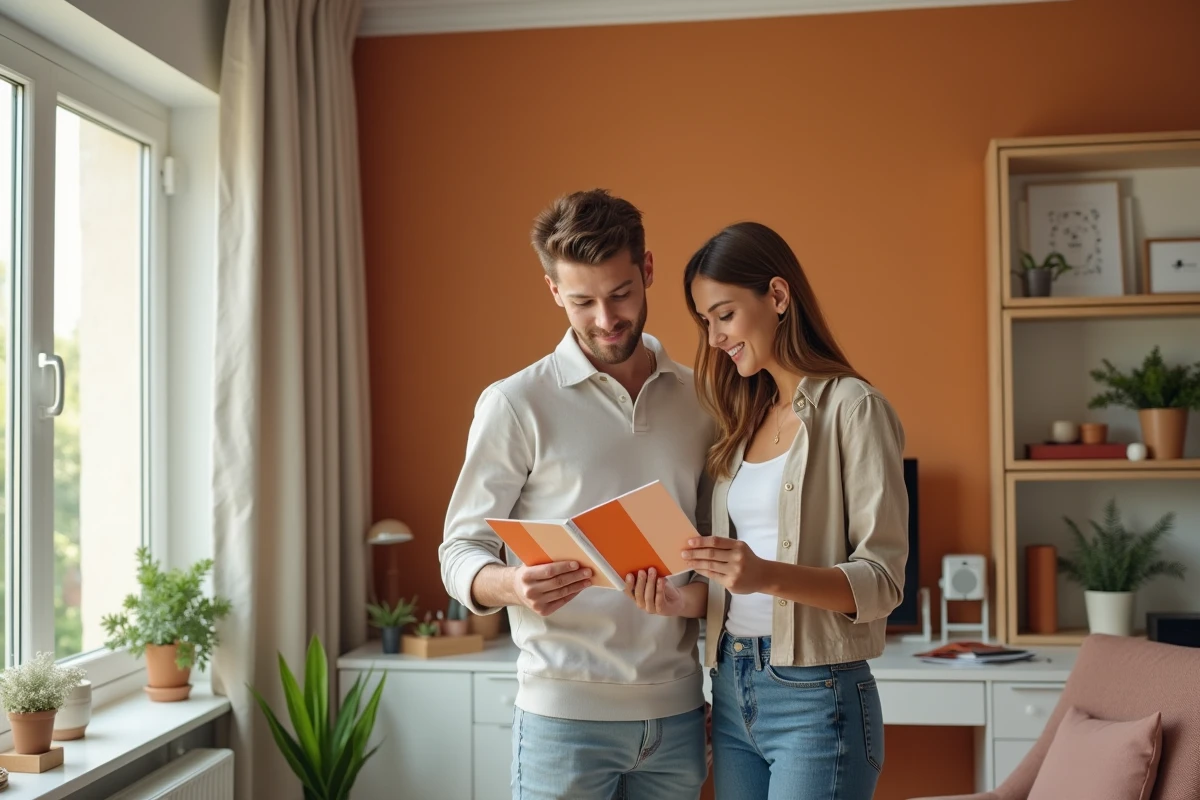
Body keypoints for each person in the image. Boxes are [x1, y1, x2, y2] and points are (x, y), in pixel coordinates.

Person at [439, 189, 715, 800]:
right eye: (583, 301)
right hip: (561, 721)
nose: (606, 319)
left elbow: (717, 548)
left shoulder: (701, 400)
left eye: (620, 294)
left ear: (647, 270)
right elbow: (458, 551)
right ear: (554, 291)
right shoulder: (515, 404)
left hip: (677, 714)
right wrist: (512, 585)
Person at [627, 221, 908, 799]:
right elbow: (737, 587)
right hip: (732, 685)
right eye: (705, 322)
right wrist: (683, 600)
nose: (714, 338)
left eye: (724, 315)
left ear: (777, 296)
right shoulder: (741, 424)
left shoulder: (854, 409)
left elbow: (883, 582)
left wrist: (765, 575)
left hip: (817, 694)